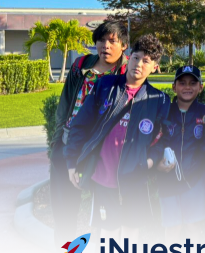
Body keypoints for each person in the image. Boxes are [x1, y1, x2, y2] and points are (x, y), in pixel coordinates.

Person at [64, 34, 170, 241]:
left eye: (146, 61)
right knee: (108, 231)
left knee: (131, 231)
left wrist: (149, 161)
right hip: (103, 177)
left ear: (155, 67)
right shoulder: (105, 86)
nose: (138, 64)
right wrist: (71, 162)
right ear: (129, 58)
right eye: (136, 58)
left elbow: (163, 139)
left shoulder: (159, 99)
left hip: (134, 178)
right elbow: (80, 125)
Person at [49, 20, 128, 244]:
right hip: (69, 144)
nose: (105, 46)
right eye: (101, 40)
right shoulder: (82, 65)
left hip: (102, 151)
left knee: (104, 211)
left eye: (112, 41)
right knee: (64, 208)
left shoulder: (127, 72)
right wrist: (58, 138)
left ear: (123, 45)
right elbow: (65, 104)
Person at [157, 65, 205, 243]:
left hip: (195, 178)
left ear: (201, 87)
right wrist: (157, 162)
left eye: (193, 83)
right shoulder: (164, 112)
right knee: (172, 227)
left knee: (193, 225)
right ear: (174, 87)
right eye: (182, 83)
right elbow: (155, 142)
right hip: (167, 179)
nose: (187, 87)